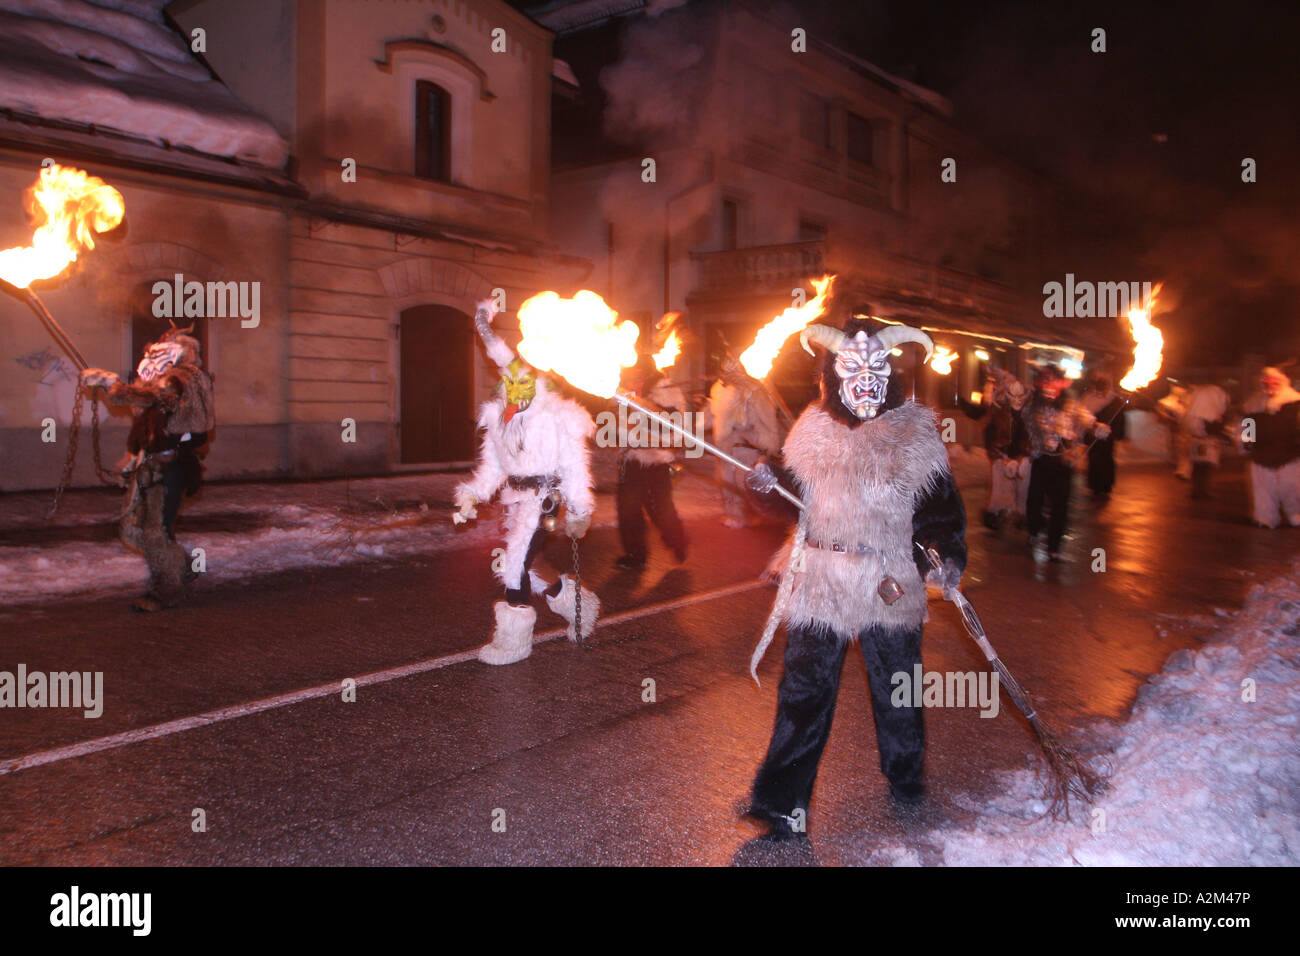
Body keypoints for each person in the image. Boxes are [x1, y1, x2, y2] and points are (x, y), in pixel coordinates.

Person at [743, 314, 966, 841]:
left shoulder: (915, 434)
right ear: (831, 373)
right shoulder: (812, 430)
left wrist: (941, 553)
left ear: (891, 373)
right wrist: (765, 484)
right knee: (803, 692)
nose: (865, 378)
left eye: (876, 367)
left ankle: (906, 777)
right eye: (850, 366)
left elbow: (940, 513)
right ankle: (781, 803)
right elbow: (786, 497)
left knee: (898, 688)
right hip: (821, 577)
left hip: (888, 579)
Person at [453, 299, 600, 664]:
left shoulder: (557, 416)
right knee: (529, 567)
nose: (512, 385)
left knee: (514, 562)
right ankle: (577, 604)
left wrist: (580, 509)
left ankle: (513, 642)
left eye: (519, 379)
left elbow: (574, 465)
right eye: (507, 379)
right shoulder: (498, 418)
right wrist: (472, 494)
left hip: (545, 499)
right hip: (516, 498)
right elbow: (493, 467)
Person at [79, 326, 213, 612]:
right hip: (150, 465)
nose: (158, 346)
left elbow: (156, 398)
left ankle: (166, 588)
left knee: (154, 530)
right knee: (133, 528)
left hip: (171, 466)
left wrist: (111, 384)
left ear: (182, 351)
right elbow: (147, 420)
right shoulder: (163, 379)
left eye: (167, 343)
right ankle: (185, 568)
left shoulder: (184, 378)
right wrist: (131, 456)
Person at [1024, 365, 1109, 562]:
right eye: (1045, 380)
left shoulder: (1070, 404)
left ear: (1061, 383)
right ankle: (1034, 531)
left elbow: (1086, 418)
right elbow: (1023, 422)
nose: (1049, 384)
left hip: (1063, 462)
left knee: (1060, 505)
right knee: (1035, 502)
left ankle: (1054, 548)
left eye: (1053, 380)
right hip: (1041, 459)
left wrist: (1097, 427)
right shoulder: (1033, 405)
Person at [613, 354, 690, 569]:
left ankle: (678, 541)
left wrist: (639, 403)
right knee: (627, 507)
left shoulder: (666, 393)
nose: (633, 382)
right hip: (632, 459)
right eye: (630, 377)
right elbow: (619, 426)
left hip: (656, 459)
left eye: (638, 377)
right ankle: (635, 554)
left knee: (660, 508)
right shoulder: (626, 394)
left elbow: (672, 430)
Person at [708, 355, 784, 528]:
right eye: (725, 370)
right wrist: (692, 427)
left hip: (748, 442)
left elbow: (768, 421)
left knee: (744, 480)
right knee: (725, 479)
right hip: (726, 442)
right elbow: (711, 412)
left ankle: (752, 513)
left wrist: (769, 446)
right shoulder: (718, 390)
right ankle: (732, 515)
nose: (728, 375)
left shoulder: (755, 392)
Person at [1241, 366, 1300, 528]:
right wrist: (1247, 446)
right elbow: (1247, 426)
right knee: (1262, 490)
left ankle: (1295, 513)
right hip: (1261, 455)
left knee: (1292, 488)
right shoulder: (1253, 404)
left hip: (1289, 455)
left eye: (1274, 382)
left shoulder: (1295, 403)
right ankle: (1265, 518)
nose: (1270, 385)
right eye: (1266, 382)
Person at [980, 369, 1032, 529]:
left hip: (1022, 458)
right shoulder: (998, 414)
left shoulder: (1030, 416)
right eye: (1014, 397)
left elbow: (1032, 438)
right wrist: (1001, 457)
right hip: (1002, 457)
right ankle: (997, 514)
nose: (1017, 401)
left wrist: (1023, 457)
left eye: (1020, 397)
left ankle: (1022, 515)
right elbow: (990, 438)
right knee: (1000, 489)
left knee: (1024, 489)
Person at [1080, 372, 1127, 501]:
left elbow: (1120, 419)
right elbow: (1082, 415)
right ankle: (1095, 486)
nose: (1101, 386)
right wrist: (1090, 428)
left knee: (1107, 460)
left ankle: (1106, 486)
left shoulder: (1115, 400)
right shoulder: (1089, 398)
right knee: (1094, 460)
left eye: (1104, 384)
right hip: (1093, 436)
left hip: (1108, 438)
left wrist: (1116, 433)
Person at [1180, 382, 1231, 500]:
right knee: (1203, 468)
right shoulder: (1208, 416)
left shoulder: (1192, 415)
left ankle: (1198, 490)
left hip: (1197, 442)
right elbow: (1212, 428)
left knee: (1199, 467)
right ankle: (1201, 491)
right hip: (1205, 443)